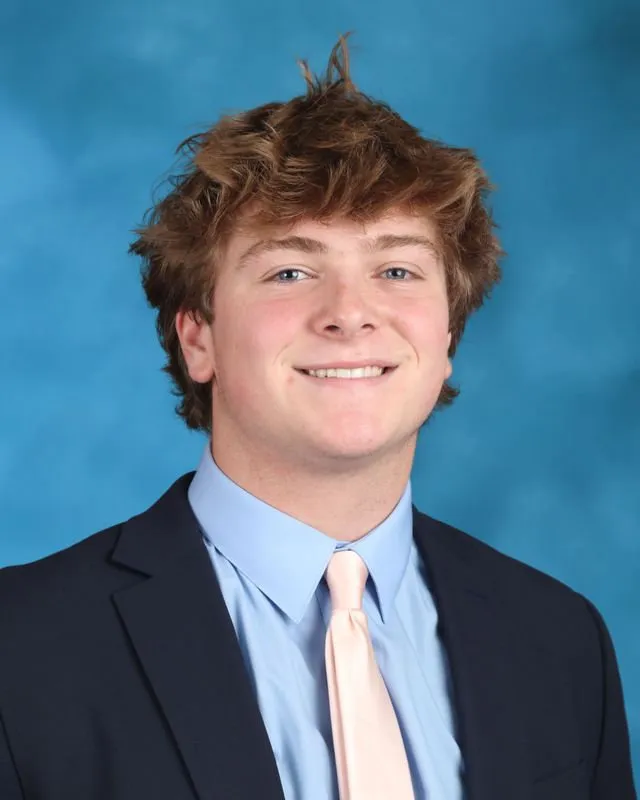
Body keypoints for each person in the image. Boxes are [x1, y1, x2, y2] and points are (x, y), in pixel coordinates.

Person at [0, 33, 635, 800]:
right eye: (290, 270)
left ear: (448, 338)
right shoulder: (22, 646)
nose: (350, 315)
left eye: (395, 269)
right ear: (197, 336)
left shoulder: (561, 641)